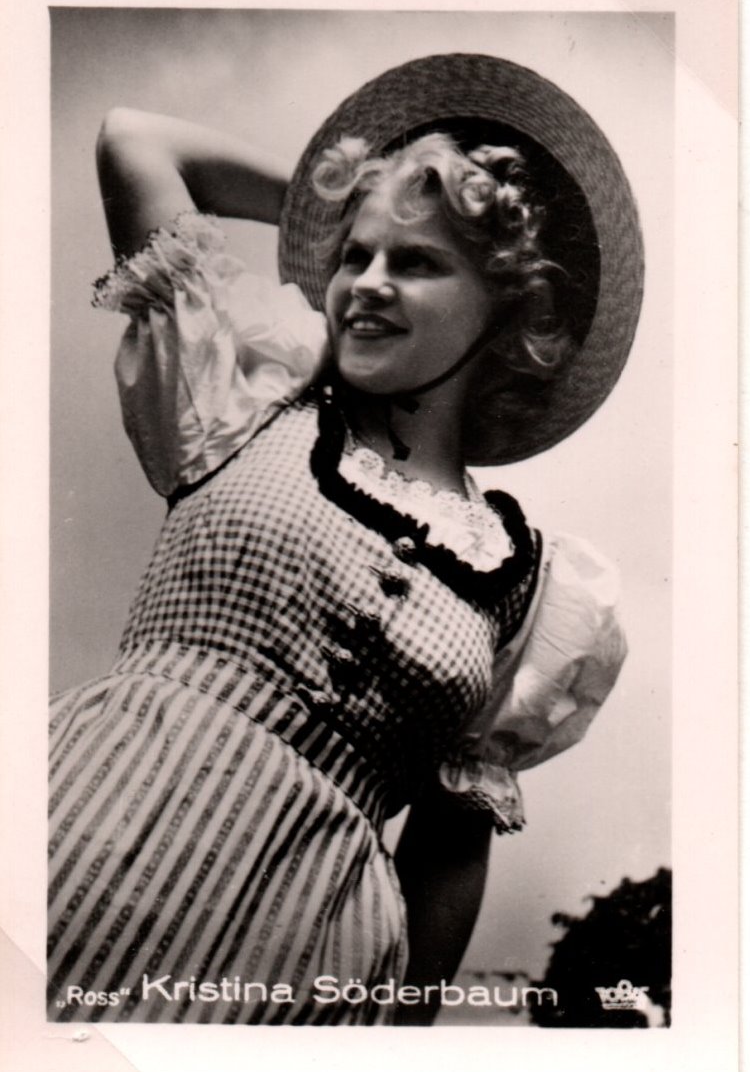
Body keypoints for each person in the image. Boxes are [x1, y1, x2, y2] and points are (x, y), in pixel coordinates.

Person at [48, 53, 643, 1026]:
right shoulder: (245, 399)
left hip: (302, 975)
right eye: (355, 256)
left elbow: (448, 851)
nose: (364, 284)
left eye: (416, 262)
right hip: (82, 852)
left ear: (507, 306)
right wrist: (353, 200)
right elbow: (135, 139)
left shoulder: (531, 588)